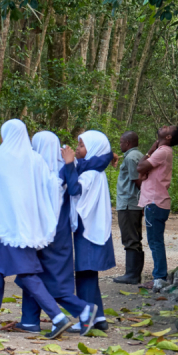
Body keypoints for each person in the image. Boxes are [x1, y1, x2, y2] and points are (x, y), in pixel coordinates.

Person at [0, 119, 75, 340]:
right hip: (30, 226)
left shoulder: (0, 158)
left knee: (28, 275)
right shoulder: (35, 159)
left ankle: (58, 317)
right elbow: (50, 186)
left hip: (12, 227)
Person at [15, 131, 100, 336]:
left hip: (44, 231)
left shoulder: (42, 171)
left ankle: (83, 309)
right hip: (58, 231)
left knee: (42, 276)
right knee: (33, 273)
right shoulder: (63, 168)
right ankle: (29, 319)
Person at [73, 131, 116, 332]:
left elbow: (74, 190)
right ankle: (98, 317)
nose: (77, 149)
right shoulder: (94, 170)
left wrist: (66, 165)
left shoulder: (90, 173)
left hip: (88, 229)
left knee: (85, 273)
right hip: (94, 228)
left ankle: (85, 320)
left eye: (81, 146)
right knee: (88, 274)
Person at [137, 125, 178, 290]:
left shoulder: (162, 151)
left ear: (169, 137)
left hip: (155, 202)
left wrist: (150, 149)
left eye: (168, 128)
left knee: (155, 241)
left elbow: (140, 167)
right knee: (155, 240)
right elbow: (141, 171)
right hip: (155, 201)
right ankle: (159, 276)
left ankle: (159, 278)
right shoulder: (163, 151)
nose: (164, 126)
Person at [113, 131, 145, 285]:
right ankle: (133, 273)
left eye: (121, 142)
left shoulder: (131, 158)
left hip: (128, 203)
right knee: (134, 237)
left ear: (127, 143)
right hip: (133, 203)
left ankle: (132, 274)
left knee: (130, 238)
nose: (120, 145)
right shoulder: (138, 155)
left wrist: (145, 199)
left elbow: (136, 180)